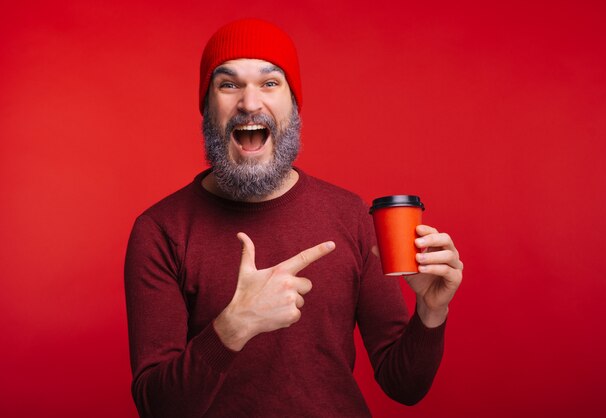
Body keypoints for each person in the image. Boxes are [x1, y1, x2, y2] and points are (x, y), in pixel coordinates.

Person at [124, 18, 463, 418]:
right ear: (206, 107)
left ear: (294, 105)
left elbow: (402, 385)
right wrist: (232, 328)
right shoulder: (160, 231)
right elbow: (156, 406)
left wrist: (430, 311)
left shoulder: (351, 214)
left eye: (270, 83)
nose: (250, 103)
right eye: (228, 84)